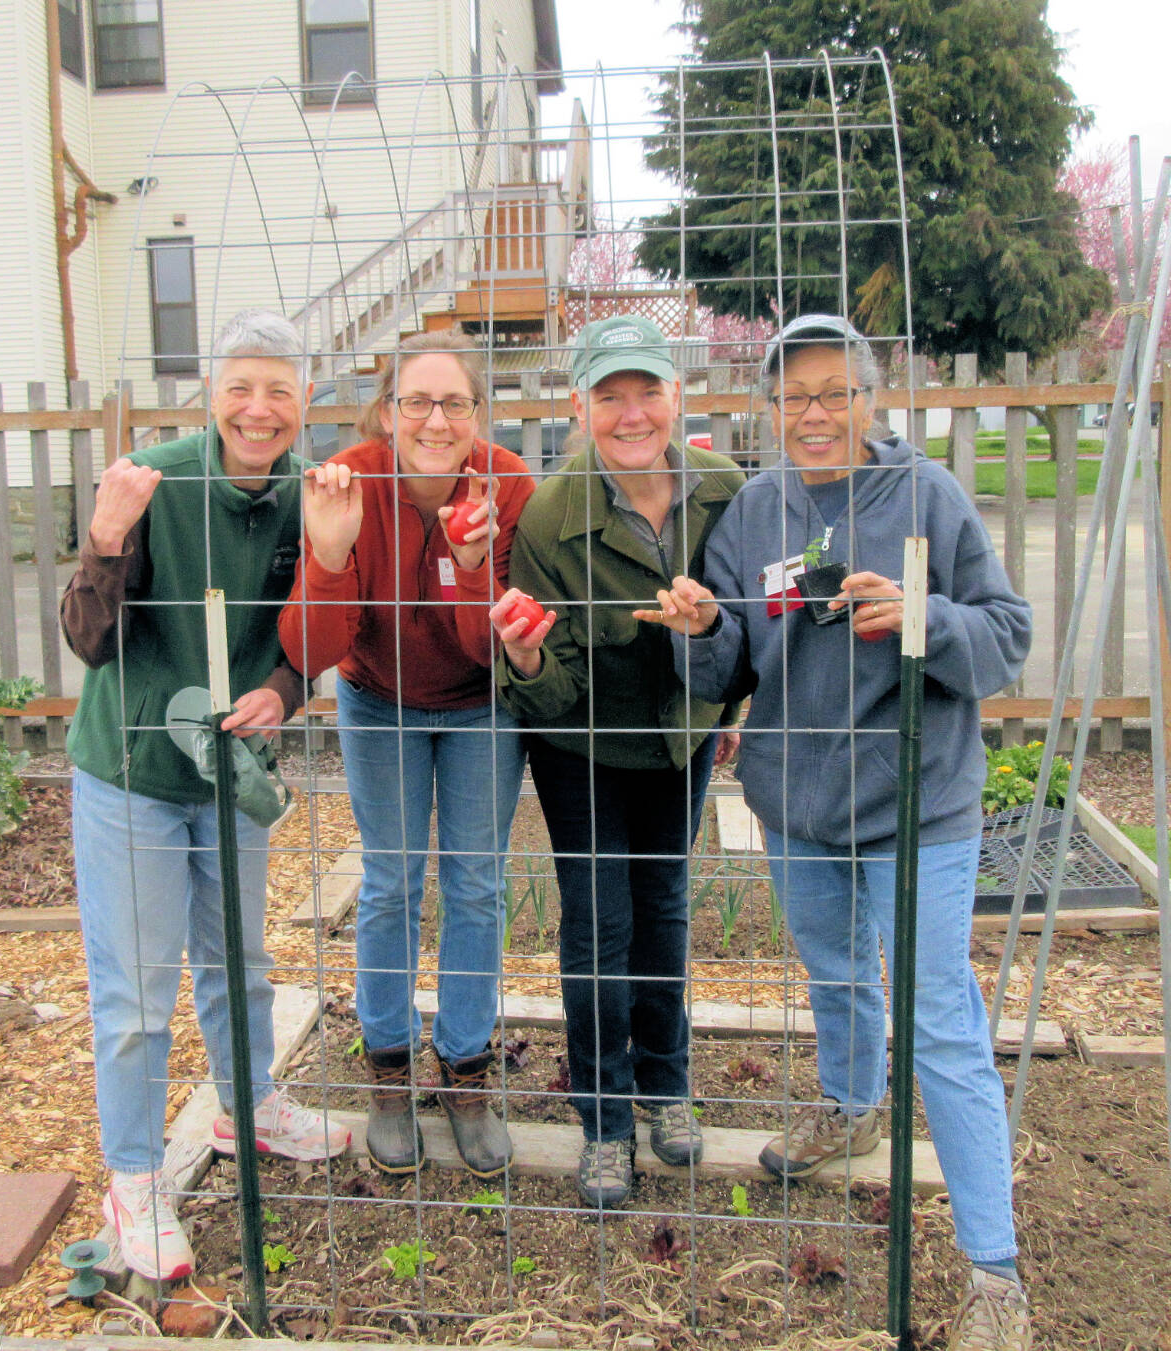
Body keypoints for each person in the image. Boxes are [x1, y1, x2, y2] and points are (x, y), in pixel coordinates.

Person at [648, 314, 1034, 1350]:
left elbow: (1003, 638)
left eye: (833, 392)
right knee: (831, 970)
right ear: (768, 410)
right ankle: (851, 1104)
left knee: (940, 1016)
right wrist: (700, 629)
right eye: (792, 398)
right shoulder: (757, 511)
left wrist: (919, 615)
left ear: (870, 398)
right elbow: (727, 660)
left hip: (916, 803)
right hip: (796, 804)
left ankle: (992, 1275)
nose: (812, 414)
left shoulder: (924, 497)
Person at [62, 310, 350, 1283]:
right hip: (134, 771)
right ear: (211, 395)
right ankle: (135, 1181)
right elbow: (88, 641)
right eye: (240, 387)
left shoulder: (303, 499)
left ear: (303, 399)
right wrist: (103, 541)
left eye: (279, 388)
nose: (259, 408)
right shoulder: (154, 482)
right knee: (138, 993)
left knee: (241, 956)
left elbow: (307, 629)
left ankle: (248, 1101)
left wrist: (280, 688)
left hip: (228, 767)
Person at [489, 315, 746, 1209]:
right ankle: (603, 1116)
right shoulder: (555, 515)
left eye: (648, 392)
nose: (632, 414)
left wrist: (731, 699)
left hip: (681, 738)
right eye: (610, 397)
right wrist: (524, 659)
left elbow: (747, 624)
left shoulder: (722, 488)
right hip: (584, 747)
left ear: (677, 396)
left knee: (666, 905)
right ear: (580, 405)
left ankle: (666, 1084)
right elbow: (549, 687)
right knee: (598, 923)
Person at [278, 330, 534, 1178]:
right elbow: (315, 646)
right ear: (387, 411)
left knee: (477, 880)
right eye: (415, 401)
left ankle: (464, 1068)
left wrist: (468, 565)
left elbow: (485, 650)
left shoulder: (510, 484)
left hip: (477, 706)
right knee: (389, 879)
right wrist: (332, 550)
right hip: (377, 695)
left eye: (454, 402)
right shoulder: (347, 479)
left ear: (477, 414)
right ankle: (388, 1066)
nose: (435, 418)